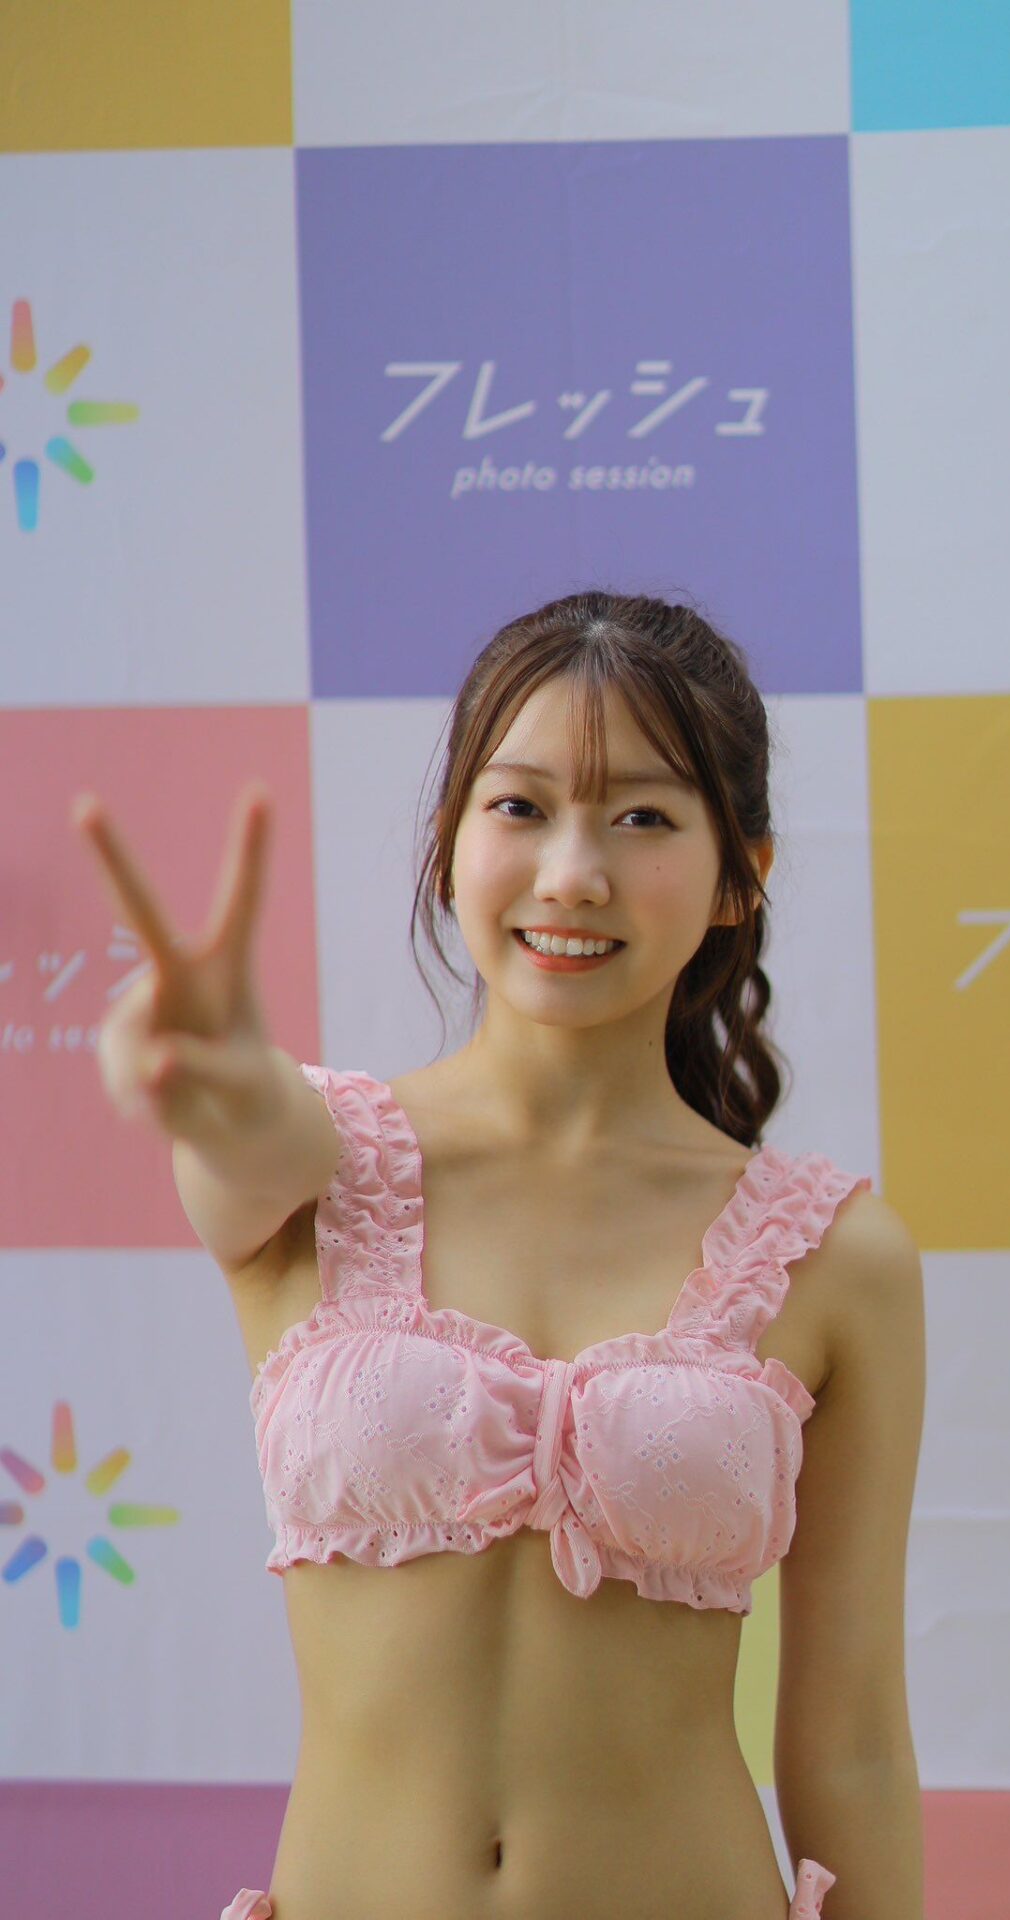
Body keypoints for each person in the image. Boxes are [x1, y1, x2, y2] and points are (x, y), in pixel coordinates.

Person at [75, 591, 926, 1920]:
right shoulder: (317, 1165)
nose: (572, 872)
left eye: (643, 818)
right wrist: (205, 1061)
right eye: (521, 806)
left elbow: (855, 1737)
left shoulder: (838, 1255)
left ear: (739, 875)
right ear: (449, 845)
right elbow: (237, 1122)